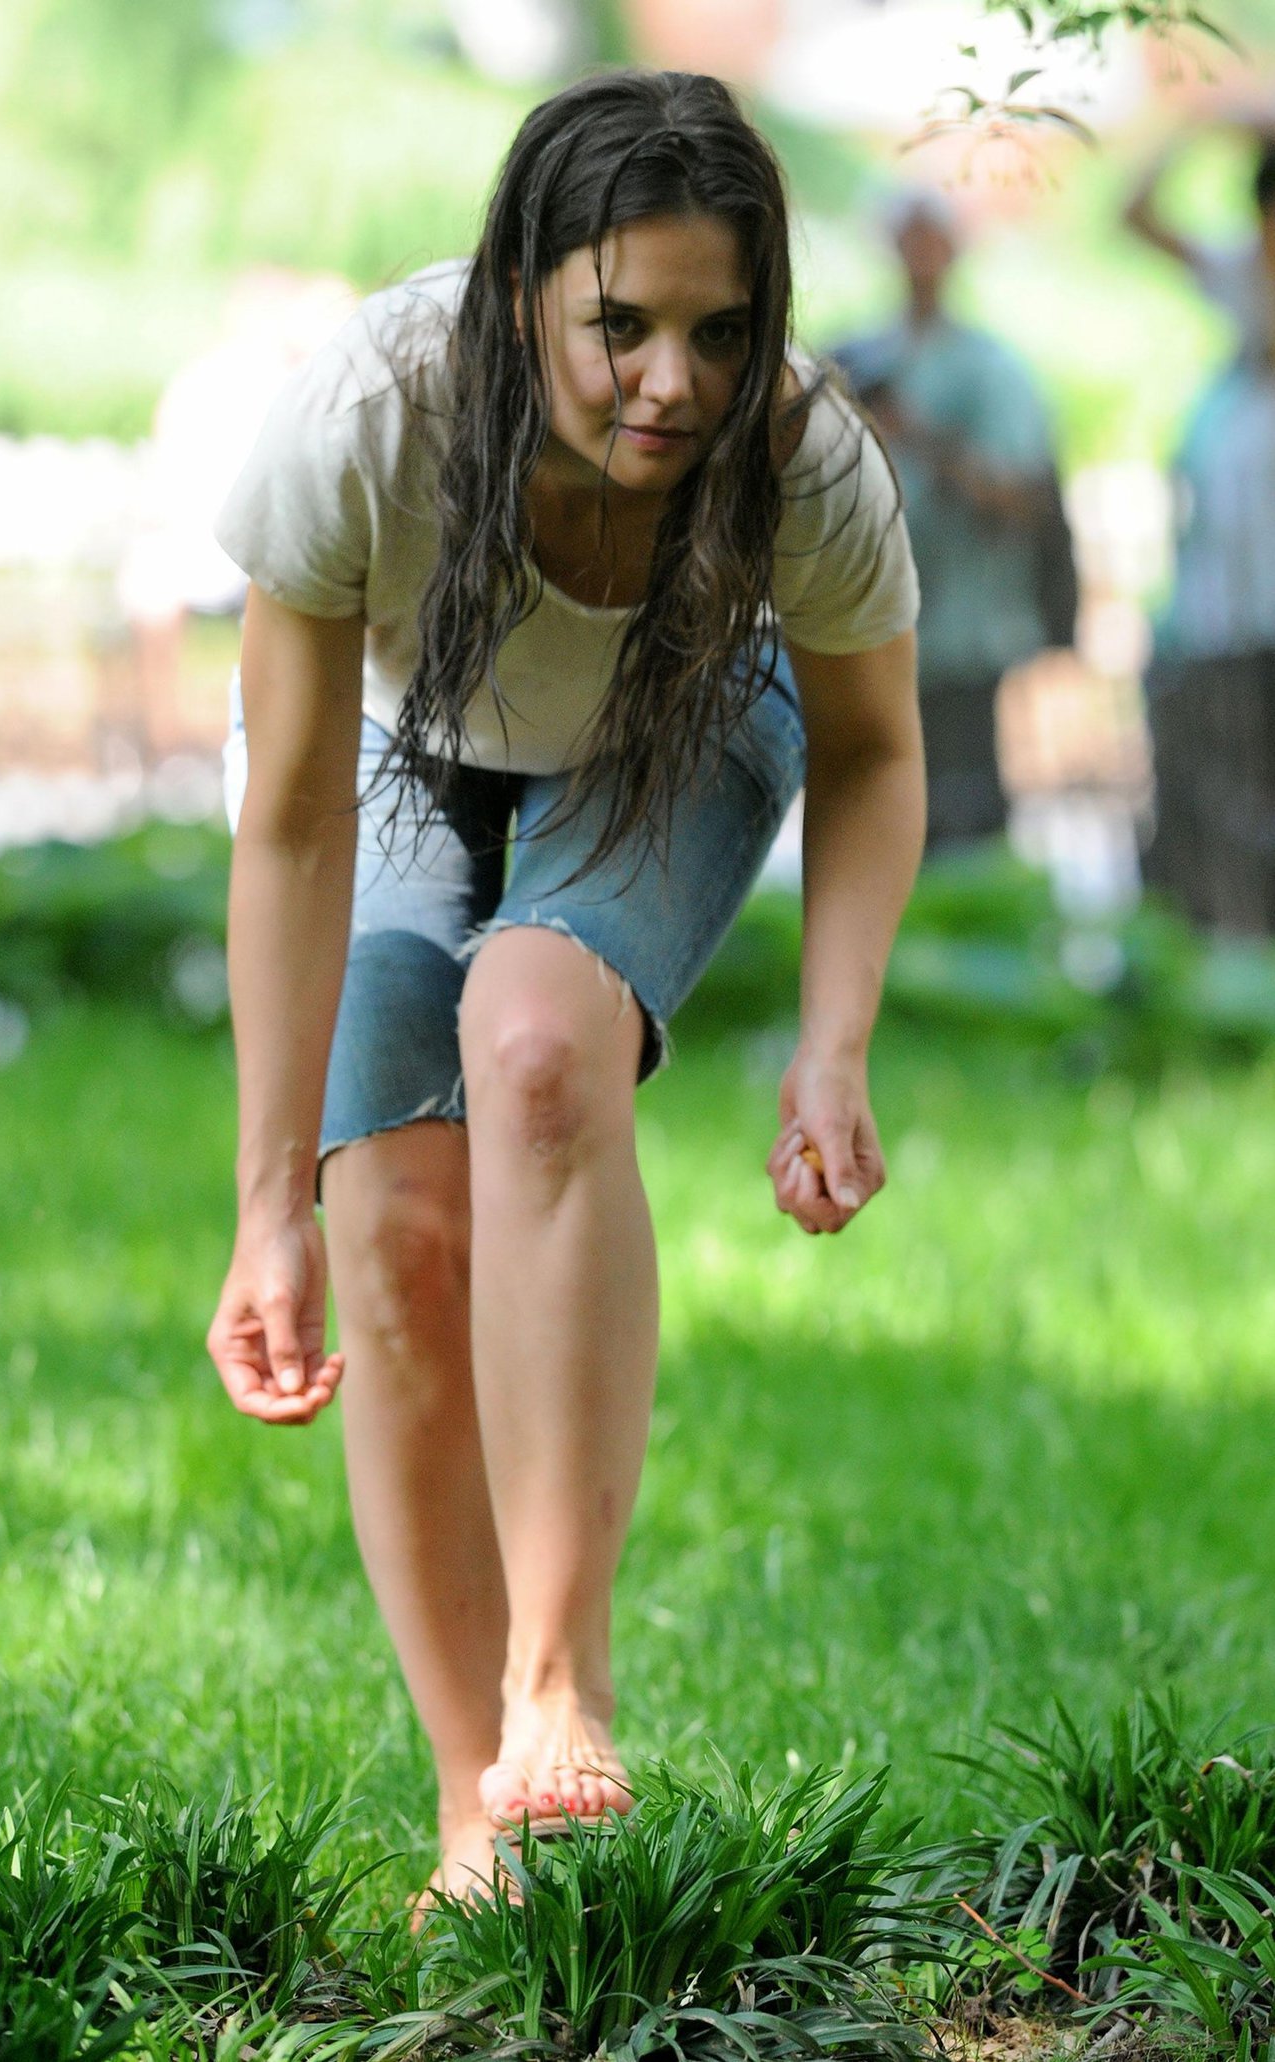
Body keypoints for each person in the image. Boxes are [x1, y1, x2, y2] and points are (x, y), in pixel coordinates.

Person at [206, 69, 924, 1912]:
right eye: (617, 325)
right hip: (407, 745)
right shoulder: (374, 413)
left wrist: (829, 1044)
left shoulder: (798, 454)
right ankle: (485, 1827)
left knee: (532, 1038)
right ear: (523, 288)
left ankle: (560, 1674)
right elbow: (289, 821)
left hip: (679, 721)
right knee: (394, 1232)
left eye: (715, 329)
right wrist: (261, 1206)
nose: (667, 382)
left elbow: (870, 750)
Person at [834, 189, 1065, 851]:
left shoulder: (990, 368)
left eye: (931, 236)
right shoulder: (856, 353)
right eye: (908, 236)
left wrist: (921, 437)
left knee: (964, 815)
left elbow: (1021, 500)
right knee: (877, 816)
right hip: (868, 636)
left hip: (963, 636)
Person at [1124, 121, 1275, 932]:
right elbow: (1136, 213)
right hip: (1225, 629)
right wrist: (1219, 123)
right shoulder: (1231, 396)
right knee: (1228, 809)